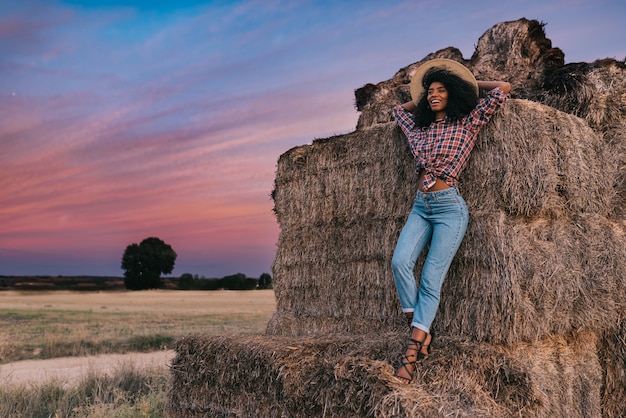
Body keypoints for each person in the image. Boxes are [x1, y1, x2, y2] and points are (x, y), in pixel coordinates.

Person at [391, 59, 510, 384]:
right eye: (431, 92)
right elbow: (397, 112)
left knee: (430, 281)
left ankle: (410, 356)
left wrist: (467, 83)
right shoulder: (419, 129)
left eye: (441, 90)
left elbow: (503, 90)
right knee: (400, 262)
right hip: (421, 206)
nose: (434, 95)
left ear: (452, 93)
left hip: (449, 210)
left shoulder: (468, 124)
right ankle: (420, 325)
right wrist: (421, 92)